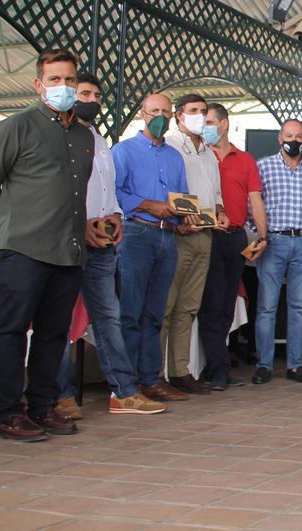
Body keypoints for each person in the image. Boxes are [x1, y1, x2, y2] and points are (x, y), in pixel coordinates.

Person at [0, 50, 93, 441]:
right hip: (21, 248)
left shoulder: (83, 136)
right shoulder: (15, 127)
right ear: (39, 85)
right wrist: (4, 220)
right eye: (55, 80)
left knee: (53, 334)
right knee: (10, 330)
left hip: (68, 250)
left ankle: (42, 406)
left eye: (70, 80)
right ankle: (7, 413)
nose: (63, 87)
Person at [54, 73, 166, 419]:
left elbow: (108, 187)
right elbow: (55, 188)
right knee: (58, 320)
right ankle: (59, 395)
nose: (92, 99)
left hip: (103, 240)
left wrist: (116, 215)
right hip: (67, 239)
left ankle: (124, 391)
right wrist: (80, 223)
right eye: (85, 93)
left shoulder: (99, 140)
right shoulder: (58, 136)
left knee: (108, 318)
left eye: (97, 95)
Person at [113, 93, 191, 403]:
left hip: (167, 237)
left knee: (155, 313)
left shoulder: (174, 156)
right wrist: (147, 204)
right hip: (136, 234)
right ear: (142, 115)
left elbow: (182, 197)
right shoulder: (122, 151)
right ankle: (127, 383)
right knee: (130, 311)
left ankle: (150, 378)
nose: (160, 116)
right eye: (154, 111)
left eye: (165, 112)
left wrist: (186, 217)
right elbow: (115, 192)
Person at [198, 102, 267, 391]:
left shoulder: (245, 159)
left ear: (224, 124)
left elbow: (255, 200)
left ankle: (220, 364)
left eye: (209, 122)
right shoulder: (200, 157)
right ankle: (216, 369)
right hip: (209, 234)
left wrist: (262, 236)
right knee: (212, 303)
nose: (205, 128)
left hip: (237, 236)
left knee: (228, 302)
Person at [253, 119, 302, 384]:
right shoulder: (263, 166)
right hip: (273, 241)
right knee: (267, 307)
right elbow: (254, 204)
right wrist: (260, 234)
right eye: (288, 135)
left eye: (298, 135)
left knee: (299, 307)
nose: (293, 140)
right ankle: (264, 365)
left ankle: (296, 364)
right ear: (279, 137)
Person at [161, 94, 225, 395]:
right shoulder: (170, 146)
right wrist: (186, 217)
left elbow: (215, 194)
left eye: (203, 111)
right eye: (193, 111)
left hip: (205, 234)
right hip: (179, 234)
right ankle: (155, 373)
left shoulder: (209, 153)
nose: (199, 116)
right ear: (178, 115)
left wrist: (220, 212)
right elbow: (171, 190)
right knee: (167, 306)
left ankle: (180, 370)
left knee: (188, 307)